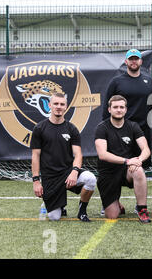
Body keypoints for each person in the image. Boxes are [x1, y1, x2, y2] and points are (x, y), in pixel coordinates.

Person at [31, 92, 96, 222]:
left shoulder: (71, 129)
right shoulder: (39, 128)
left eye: (62, 104)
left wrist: (74, 171)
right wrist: (36, 181)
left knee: (91, 179)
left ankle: (82, 211)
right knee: (54, 217)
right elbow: (35, 156)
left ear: (66, 107)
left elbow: (78, 154)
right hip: (50, 176)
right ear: (49, 105)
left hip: (67, 172)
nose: (59, 107)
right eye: (56, 104)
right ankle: (57, 205)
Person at [94, 95, 151, 223]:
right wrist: (127, 161)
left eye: (121, 107)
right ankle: (115, 203)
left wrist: (138, 160)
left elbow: (146, 149)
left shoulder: (133, 126)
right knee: (112, 215)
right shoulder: (102, 128)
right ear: (109, 109)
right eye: (115, 107)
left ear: (126, 110)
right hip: (108, 172)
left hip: (127, 170)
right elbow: (102, 154)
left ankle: (142, 209)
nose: (118, 110)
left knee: (138, 170)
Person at [102, 49, 152, 168]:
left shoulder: (149, 81)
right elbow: (107, 106)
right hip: (121, 129)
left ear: (141, 61)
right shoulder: (116, 82)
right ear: (126, 61)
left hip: (143, 130)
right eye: (131, 59)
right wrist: (106, 128)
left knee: (140, 165)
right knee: (120, 167)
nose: (134, 61)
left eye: (136, 59)